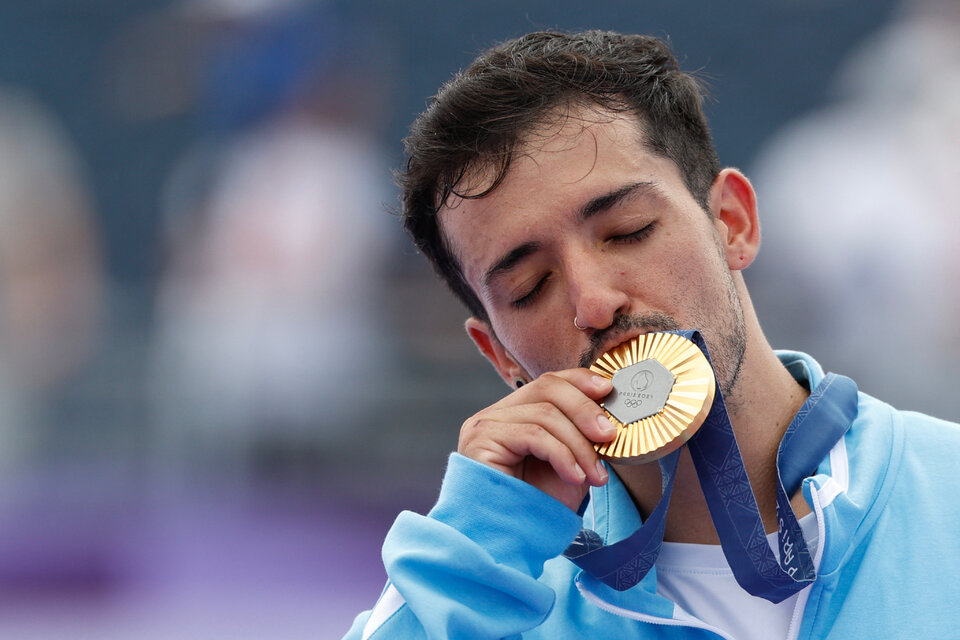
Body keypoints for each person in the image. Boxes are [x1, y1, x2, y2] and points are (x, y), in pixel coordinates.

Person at [344, 30, 960, 639]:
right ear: (499, 354)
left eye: (629, 231)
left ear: (732, 222)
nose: (595, 303)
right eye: (531, 286)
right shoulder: (482, 590)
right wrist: (477, 548)